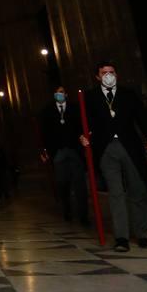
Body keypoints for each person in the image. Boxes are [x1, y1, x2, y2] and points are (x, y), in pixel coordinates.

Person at [79, 61, 147, 252]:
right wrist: (83, 135)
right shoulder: (90, 97)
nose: (108, 75)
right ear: (97, 77)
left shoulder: (129, 94)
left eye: (112, 72)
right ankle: (121, 237)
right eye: (104, 73)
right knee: (115, 193)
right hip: (106, 149)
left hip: (129, 146)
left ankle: (142, 234)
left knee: (138, 189)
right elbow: (85, 122)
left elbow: (142, 117)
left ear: (116, 74)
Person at [39, 86, 87, 224]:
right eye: (56, 93)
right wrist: (45, 151)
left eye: (61, 92)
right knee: (62, 183)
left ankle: (83, 215)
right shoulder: (47, 111)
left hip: (74, 150)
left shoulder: (75, 108)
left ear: (66, 94)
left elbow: (81, 126)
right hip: (58, 152)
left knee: (80, 184)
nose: (59, 94)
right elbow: (44, 133)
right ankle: (67, 211)